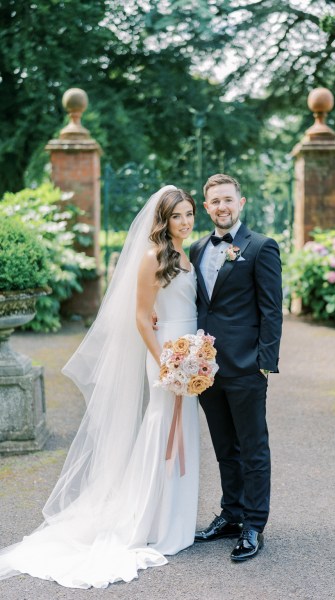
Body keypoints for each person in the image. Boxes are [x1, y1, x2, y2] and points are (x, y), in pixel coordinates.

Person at [0, 186, 200, 589]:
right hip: (165, 355)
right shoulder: (151, 257)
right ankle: (151, 520)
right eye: (177, 216)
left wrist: (195, 356)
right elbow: (143, 318)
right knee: (161, 427)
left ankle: (177, 521)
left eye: (189, 214)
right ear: (163, 219)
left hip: (192, 351)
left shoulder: (187, 255)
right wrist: (168, 362)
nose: (185, 222)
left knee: (186, 431)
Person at [190, 173, 282, 562]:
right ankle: (231, 514)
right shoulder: (195, 249)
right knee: (225, 447)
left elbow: (271, 310)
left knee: (253, 448)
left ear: (240, 203)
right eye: (215, 202)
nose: (222, 207)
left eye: (229, 200)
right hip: (205, 370)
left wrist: (264, 364)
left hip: (246, 367)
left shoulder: (261, 247)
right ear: (207, 207)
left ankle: (254, 524)